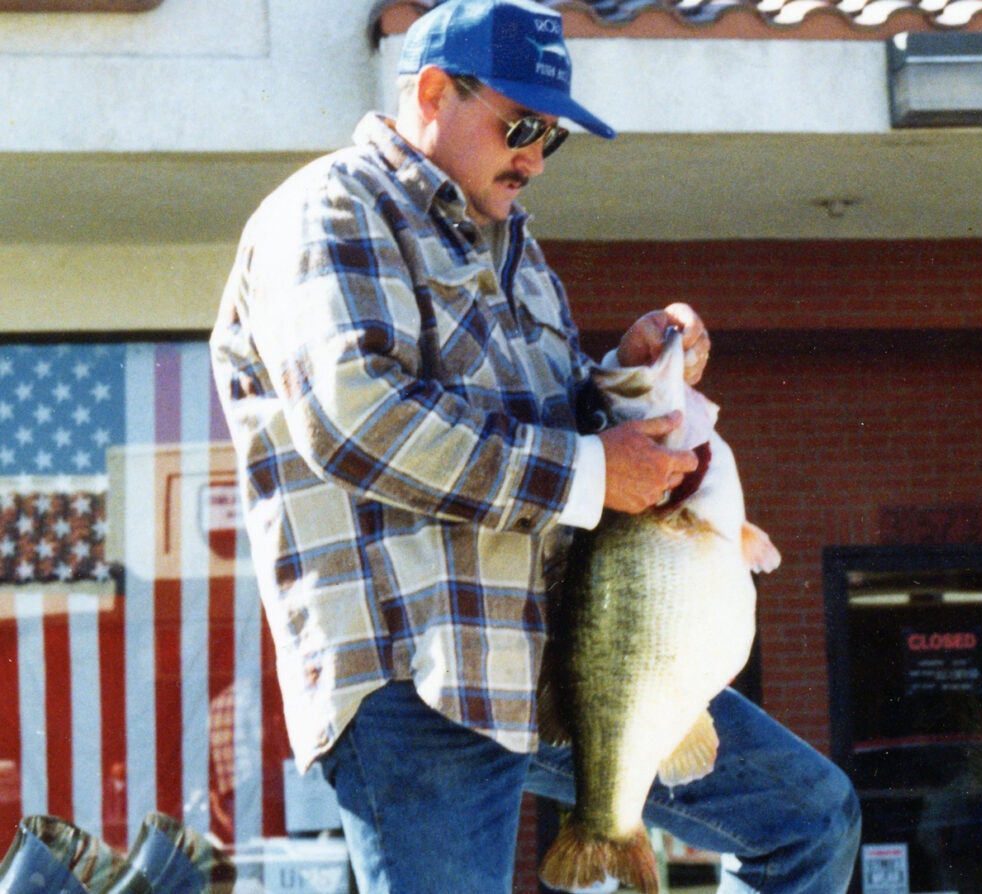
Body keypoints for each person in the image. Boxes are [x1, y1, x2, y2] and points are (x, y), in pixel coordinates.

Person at [209, 0, 861, 891]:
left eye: (550, 138)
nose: (532, 158)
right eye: (518, 125)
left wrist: (626, 378)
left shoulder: (513, 244)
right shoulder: (331, 208)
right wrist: (596, 469)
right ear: (432, 91)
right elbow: (357, 420)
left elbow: (552, 425)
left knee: (811, 820)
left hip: (558, 668)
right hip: (414, 683)